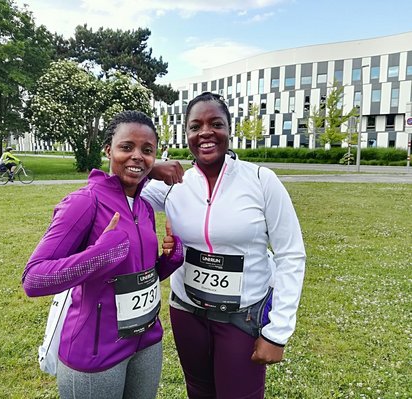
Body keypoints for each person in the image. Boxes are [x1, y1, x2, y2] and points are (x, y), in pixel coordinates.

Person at [142, 92, 306, 399]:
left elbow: (291, 255)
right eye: (195, 126)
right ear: (187, 134)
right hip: (186, 313)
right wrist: (150, 166)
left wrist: (278, 332)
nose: (205, 132)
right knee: (199, 392)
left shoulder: (261, 180)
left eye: (215, 123)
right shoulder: (172, 185)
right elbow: (118, 187)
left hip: (241, 318)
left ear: (229, 130)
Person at [22, 110, 184, 399]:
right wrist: (99, 255)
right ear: (108, 149)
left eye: (147, 151)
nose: (137, 156)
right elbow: (33, 279)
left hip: (146, 343)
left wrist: (168, 262)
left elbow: (135, 279)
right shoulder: (85, 202)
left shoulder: (144, 207)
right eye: (126, 147)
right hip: (96, 354)